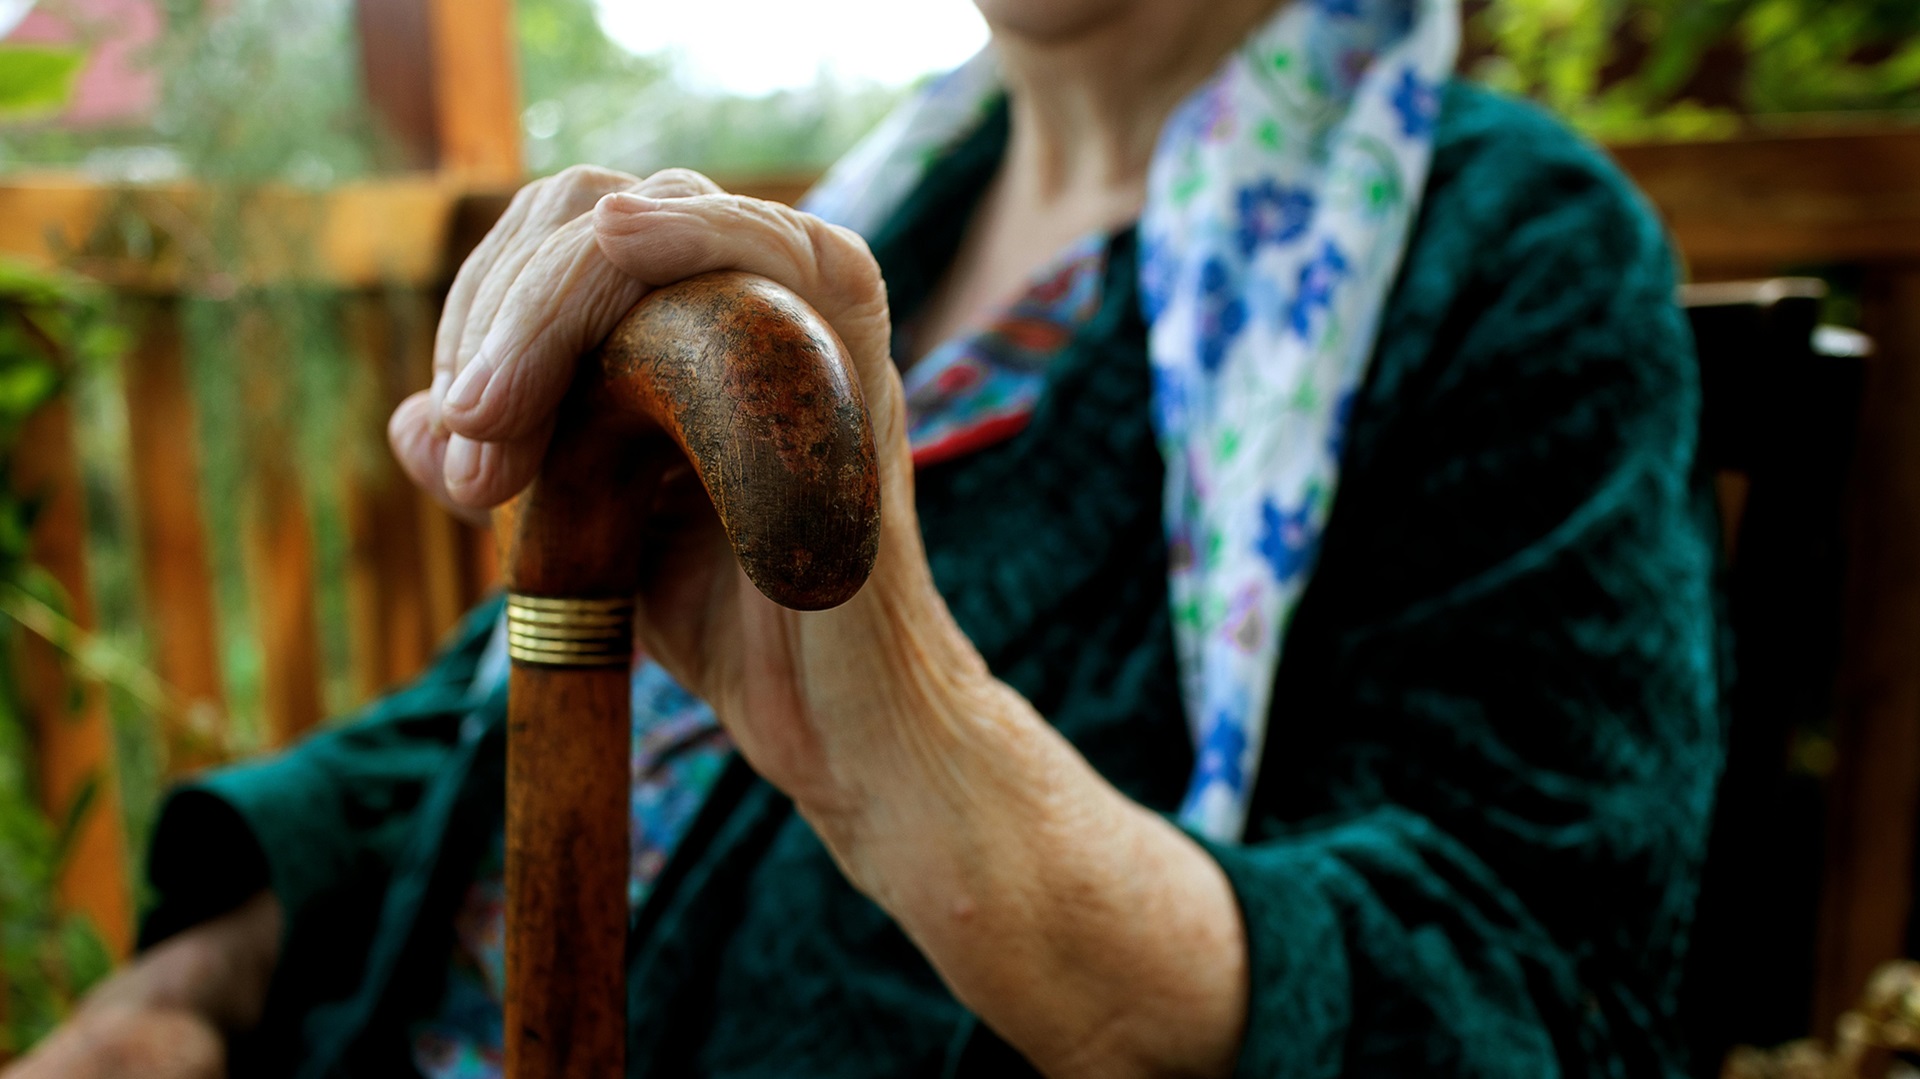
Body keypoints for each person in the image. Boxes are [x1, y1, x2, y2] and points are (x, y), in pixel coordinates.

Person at [6, 0, 1723, 1075]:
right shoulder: (882, 203)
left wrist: (925, 752)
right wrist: (184, 988)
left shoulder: (1500, 252)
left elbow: (1533, 990)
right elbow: (499, 698)